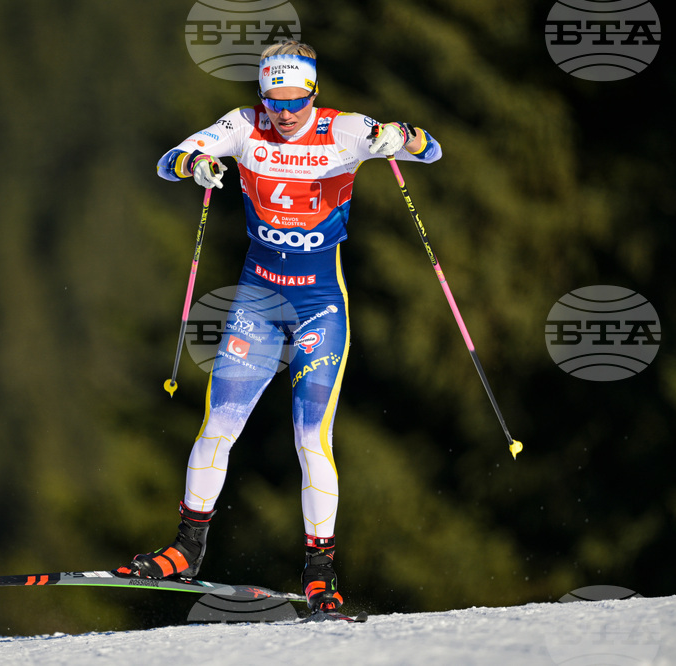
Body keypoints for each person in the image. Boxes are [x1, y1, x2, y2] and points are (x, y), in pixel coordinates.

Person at [116, 40, 442, 612]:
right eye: (273, 99)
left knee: (310, 437)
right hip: (257, 303)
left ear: (313, 92)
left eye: (294, 99)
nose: (284, 113)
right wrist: (198, 164)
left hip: (320, 305)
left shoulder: (343, 130)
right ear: (260, 94)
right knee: (219, 423)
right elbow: (170, 159)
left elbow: (430, 150)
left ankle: (321, 573)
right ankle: (185, 551)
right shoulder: (245, 127)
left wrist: (399, 135)